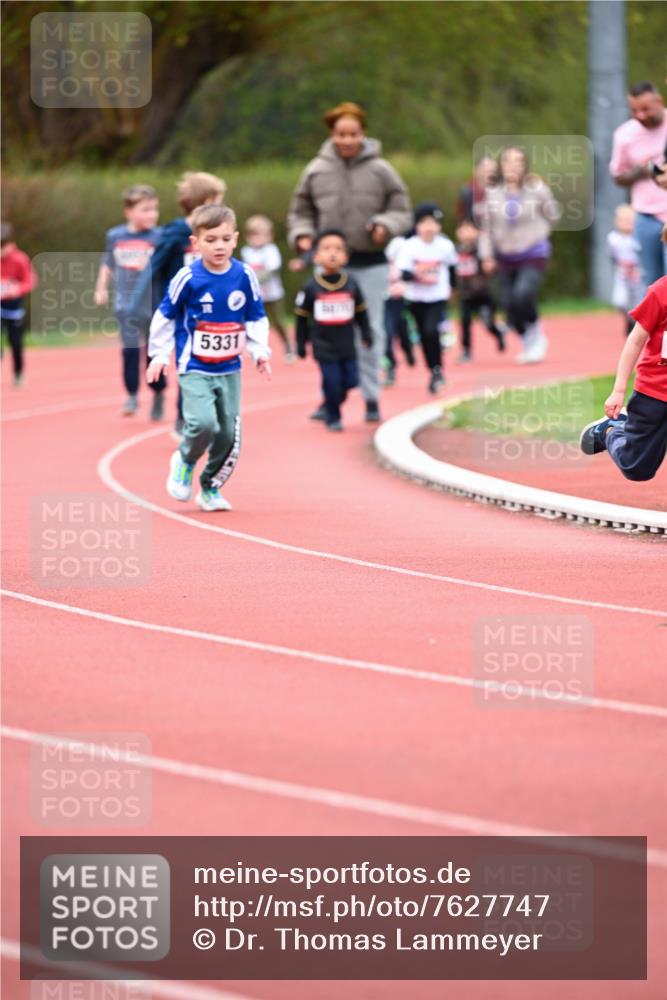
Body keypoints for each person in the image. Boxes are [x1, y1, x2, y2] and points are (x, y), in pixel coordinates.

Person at [287, 101, 412, 423]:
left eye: (353, 134)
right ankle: (333, 397)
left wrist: (386, 224)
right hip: (329, 266)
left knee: (369, 330)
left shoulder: (381, 169)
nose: (347, 140)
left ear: (363, 134)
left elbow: (402, 208)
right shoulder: (316, 169)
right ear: (332, 134)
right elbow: (300, 211)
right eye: (341, 134)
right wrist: (302, 234)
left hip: (370, 263)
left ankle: (371, 398)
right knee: (328, 331)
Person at [147, 204, 271, 512]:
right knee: (203, 423)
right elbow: (164, 316)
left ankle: (210, 486)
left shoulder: (245, 275)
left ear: (236, 239)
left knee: (227, 433)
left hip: (230, 367)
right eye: (211, 239)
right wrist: (159, 355)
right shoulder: (187, 277)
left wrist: (259, 350)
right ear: (196, 243)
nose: (219, 246)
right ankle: (185, 459)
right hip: (194, 366)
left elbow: (255, 316)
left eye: (225, 239)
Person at [127, 170, 227, 437]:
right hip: (177, 311)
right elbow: (153, 268)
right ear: (205, 201)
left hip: (206, 314)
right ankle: (172, 406)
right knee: (175, 361)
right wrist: (138, 304)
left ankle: (192, 418)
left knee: (200, 365)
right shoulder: (175, 233)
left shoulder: (216, 236)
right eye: (219, 201)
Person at [580, 225, 667, 481]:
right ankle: (610, 432)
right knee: (636, 469)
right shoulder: (660, 292)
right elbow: (635, 340)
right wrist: (619, 389)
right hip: (655, 392)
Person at [477, 147, 561, 365]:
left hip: (533, 252)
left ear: (525, 166)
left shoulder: (536, 188)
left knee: (523, 295)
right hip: (506, 256)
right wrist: (486, 256)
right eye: (508, 162)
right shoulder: (492, 193)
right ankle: (529, 338)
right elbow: (486, 229)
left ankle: (536, 335)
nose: (512, 166)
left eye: (518, 162)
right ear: (501, 166)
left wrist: (541, 232)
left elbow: (554, 215)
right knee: (508, 304)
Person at [94, 184, 165, 418]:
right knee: (129, 352)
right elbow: (108, 263)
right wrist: (101, 288)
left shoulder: (160, 237)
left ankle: (157, 393)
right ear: (129, 212)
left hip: (153, 305)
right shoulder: (115, 236)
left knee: (153, 354)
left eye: (154, 209)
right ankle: (132, 396)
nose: (151, 215)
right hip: (126, 305)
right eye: (145, 210)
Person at [294, 229, 371, 431]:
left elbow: (362, 312)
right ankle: (333, 416)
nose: (333, 253)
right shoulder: (310, 287)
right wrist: (301, 344)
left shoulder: (351, 284)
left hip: (347, 344)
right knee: (332, 382)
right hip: (323, 345)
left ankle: (330, 402)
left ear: (345, 257)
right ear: (316, 256)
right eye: (327, 249)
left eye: (338, 249)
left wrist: (367, 334)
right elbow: (301, 318)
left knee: (352, 381)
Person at [395, 202, 457, 393]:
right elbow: (403, 273)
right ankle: (433, 370)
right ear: (417, 225)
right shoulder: (409, 246)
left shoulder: (445, 245)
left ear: (439, 225)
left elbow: (453, 268)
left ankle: (438, 370)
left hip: (437, 297)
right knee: (423, 335)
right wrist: (418, 274)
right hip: (416, 297)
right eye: (424, 222)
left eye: (433, 223)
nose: (429, 227)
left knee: (432, 331)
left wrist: (453, 288)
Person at [610, 82, 667, 287]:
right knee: (652, 285)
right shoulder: (624, 135)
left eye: (645, 109)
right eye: (634, 110)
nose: (640, 115)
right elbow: (617, 176)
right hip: (646, 217)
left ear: (659, 102)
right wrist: (641, 171)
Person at [240, 214, 295, 361]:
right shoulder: (247, 251)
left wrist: (255, 279)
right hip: (255, 295)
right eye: (254, 235)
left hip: (272, 293)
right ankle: (254, 347)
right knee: (251, 320)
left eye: (262, 235)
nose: (258, 239)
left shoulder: (271, 250)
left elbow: (271, 269)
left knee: (278, 321)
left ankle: (288, 346)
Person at [454, 218, 507, 362]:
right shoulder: (455, 250)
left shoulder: (483, 250)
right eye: (463, 229)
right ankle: (466, 351)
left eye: (470, 229)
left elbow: (493, 269)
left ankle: (498, 334)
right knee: (465, 322)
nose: (466, 233)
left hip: (484, 294)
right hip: (465, 294)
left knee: (487, 323)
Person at [1, 221, 37, 386]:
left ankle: (18, 373)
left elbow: (30, 281)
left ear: (10, 244)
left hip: (14, 309)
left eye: (3, 247)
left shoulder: (20, 259)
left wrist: (17, 289)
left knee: (16, 343)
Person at [382, 234, 415, 386]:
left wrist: (402, 276)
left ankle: (408, 350)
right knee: (386, 334)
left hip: (399, 299)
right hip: (381, 300)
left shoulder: (400, 244)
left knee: (402, 330)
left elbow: (410, 272)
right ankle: (391, 367)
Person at [607, 205, 643, 337]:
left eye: (630, 220)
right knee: (620, 301)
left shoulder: (637, 238)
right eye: (624, 220)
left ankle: (635, 324)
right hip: (622, 274)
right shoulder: (612, 239)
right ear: (616, 221)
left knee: (638, 301)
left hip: (637, 274)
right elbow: (613, 256)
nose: (627, 223)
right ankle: (629, 319)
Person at [456, 156, 499, 225]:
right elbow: (463, 221)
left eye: (494, 170)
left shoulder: (501, 191)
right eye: (487, 170)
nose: (491, 174)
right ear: (476, 170)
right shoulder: (467, 192)